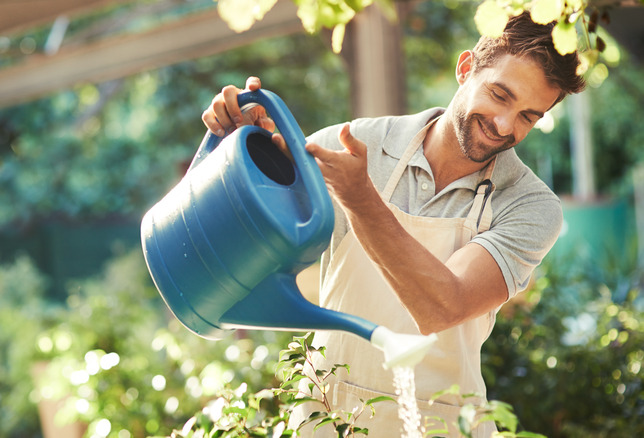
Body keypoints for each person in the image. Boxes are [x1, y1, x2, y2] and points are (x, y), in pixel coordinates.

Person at [201, 12, 585, 437]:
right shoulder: (352, 145)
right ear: (465, 69)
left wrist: (360, 199)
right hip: (325, 416)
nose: (504, 125)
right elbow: (248, 233)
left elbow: (443, 305)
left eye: (529, 116)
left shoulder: (530, 206)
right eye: (499, 95)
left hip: (441, 425)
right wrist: (245, 143)